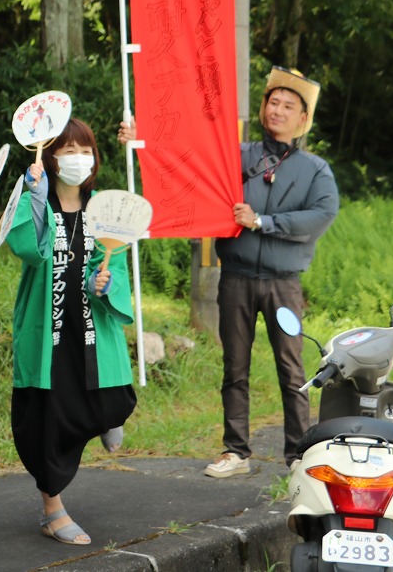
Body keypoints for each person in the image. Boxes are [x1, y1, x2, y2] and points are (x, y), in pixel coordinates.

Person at [122, 66, 339, 477]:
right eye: (273, 102)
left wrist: (264, 222)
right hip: (235, 278)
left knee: (291, 369)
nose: (277, 110)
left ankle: (299, 456)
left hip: (283, 285)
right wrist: (142, 141)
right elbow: (187, 160)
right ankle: (236, 451)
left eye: (288, 105)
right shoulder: (236, 155)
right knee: (234, 365)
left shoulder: (315, 170)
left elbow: (322, 214)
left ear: (302, 118)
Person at [4, 118, 135, 545]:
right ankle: (53, 510)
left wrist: (108, 284)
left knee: (112, 400)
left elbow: (115, 264)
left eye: (85, 151)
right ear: (52, 157)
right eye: (68, 150)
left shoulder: (103, 208)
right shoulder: (37, 200)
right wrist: (35, 198)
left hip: (92, 331)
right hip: (50, 333)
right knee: (48, 421)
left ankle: (103, 420)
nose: (78, 159)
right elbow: (26, 248)